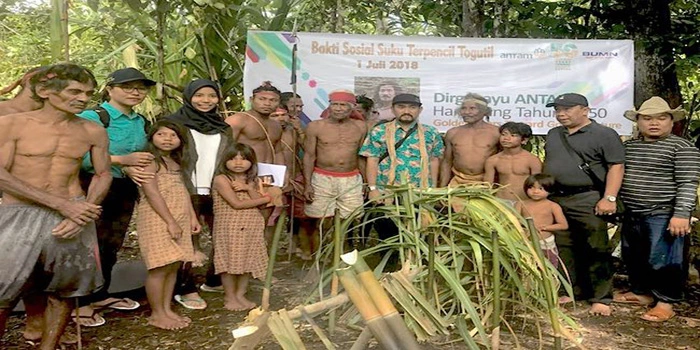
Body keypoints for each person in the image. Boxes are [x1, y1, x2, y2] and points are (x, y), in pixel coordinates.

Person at [0, 63, 111, 350]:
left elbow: (103, 174)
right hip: (19, 213)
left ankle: (49, 346)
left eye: (88, 92)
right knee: (3, 287)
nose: (83, 98)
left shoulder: (92, 130)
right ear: (45, 91)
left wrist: (84, 209)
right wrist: (61, 205)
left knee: (64, 287)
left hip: (73, 212)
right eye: (74, 91)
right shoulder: (12, 123)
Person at [74, 67, 157, 326]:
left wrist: (133, 167)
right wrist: (123, 160)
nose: (135, 92)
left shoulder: (140, 121)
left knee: (111, 243)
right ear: (110, 89)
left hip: (124, 187)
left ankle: (100, 294)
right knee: (88, 243)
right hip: (93, 185)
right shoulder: (93, 116)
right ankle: (79, 304)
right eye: (128, 87)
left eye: (141, 88)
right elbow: (78, 156)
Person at [613, 96, 700, 322]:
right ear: (638, 122)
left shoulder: (683, 147)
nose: (654, 123)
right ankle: (642, 293)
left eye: (661, 118)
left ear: (671, 122)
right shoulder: (629, 147)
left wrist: (681, 214)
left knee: (664, 259)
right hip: (632, 211)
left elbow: (688, 182)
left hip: (663, 213)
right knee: (634, 255)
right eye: (647, 118)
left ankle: (665, 302)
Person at [543, 93, 624, 316]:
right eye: (558, 109)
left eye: (568, 109)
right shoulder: (553, 134)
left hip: (588, 197)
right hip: (557, 198)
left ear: (585, 110)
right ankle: (570, 290)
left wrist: (609, 198)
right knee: (563, 246)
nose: (561, 113)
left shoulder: (604, 134)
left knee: (595, 247)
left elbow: (616, 167)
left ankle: (601, 298)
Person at [165, 79, 234, 304]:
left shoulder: (222, 126)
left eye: (211, 96)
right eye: (199, 95)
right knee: (187, 240)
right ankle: (185, 288)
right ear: (188, 96)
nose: (206, 101)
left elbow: (227, 158)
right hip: (186, 188)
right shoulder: (174, 123)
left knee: (224, 235)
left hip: (216, 189)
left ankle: (213, 280)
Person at [359, 94, 444, 266]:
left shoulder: (430, 132)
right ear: (393, 109)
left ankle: (414, 271)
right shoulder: (379, 131)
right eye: (401, 106)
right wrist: (373, 188)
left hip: (419, 192)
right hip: (387, 191)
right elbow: (372, 159)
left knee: (419, 231)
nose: (406, 111)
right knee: (387, 232)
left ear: (420, 110)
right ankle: (389, 271)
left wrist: (432, 188)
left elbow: (434, 159)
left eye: (412, 107)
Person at [137, 120, 200, 329]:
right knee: (159, 266)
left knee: (173, 265)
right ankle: (156, 313)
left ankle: (166, 309)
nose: (167, 139)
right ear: (152, 137)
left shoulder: (175, 162)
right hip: (158, 217)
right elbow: (151, 193)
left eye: (173, 135)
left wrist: (192, 217)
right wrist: (170, 221)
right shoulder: (150, 161)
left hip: (179, 217)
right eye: (161, 135)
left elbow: (183, 192)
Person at [303, 90, 368, 257]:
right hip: (322, 177)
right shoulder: (316, 126)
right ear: (329, 105)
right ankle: (320, 259)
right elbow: (309, 156)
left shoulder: (360, 127)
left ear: (352, 107)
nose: (338, 108)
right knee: (321, 221)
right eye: (335, 104)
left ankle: (341, 259)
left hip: (351, 178)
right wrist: (308, 184)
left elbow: (361, 156)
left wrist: (365, 182)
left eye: (343, 105)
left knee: (348, 221)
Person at [212, 144, 271, 311]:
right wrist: (265, 198)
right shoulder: (222, 179)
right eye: (233, 158)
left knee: (247, 260)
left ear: (251, 162)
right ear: (225, 161)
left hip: (252, 225)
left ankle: (240, 294)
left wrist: (249, 188)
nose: (238, 162)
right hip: (230, 226)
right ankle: (229, 296)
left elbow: (260, 205)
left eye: (243, 159)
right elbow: (236, 204)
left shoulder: (252, 180)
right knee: (229, 262)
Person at [225, 82, 285, 242]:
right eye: (262, 99)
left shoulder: (276, 125)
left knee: (264, 217)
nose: (267, 103)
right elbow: (225, 150)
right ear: (252, 99)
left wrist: (281, 178)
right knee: (242, 219)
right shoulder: (238, 120)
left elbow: (277, 151)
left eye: (273, 100)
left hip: (267, 176)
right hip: (244, 175)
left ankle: (258, 256)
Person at [440, 92, 500, 187]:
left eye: (472, 108)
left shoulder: (496, 133)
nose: (467, 112)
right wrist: (442, 188)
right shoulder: (453, 133)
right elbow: (447, 162)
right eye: (463, 108)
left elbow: (504, 161)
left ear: (484, 111)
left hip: (487, 183)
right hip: (458, 182)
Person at [517, 174, 569, 268]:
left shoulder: (553, 206)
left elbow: (563, 225)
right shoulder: (520, 204)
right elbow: (513, 220)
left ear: (550, 190)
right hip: (526, 242)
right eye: (531, 188)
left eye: (541, 188)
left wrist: (546, 227)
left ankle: (552, 281)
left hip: (545, 243)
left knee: (549, 267)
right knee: (527, 267)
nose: (535, 191)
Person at [484, 122, 542, 202]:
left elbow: (538, 186)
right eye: (504, 134)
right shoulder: (493, 160)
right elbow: (487, 185)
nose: (506, 138)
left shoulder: (532, 160)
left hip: (524, 202)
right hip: (501, 202)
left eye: (513, 135)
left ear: (524, 140)